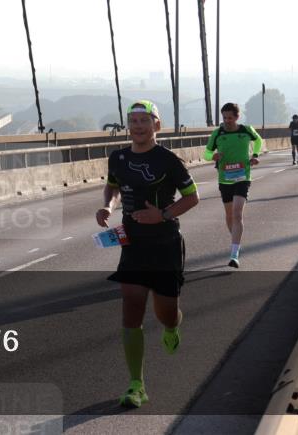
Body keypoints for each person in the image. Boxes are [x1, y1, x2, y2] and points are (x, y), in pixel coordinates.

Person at [96, 100, 199, 408]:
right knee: (132, 305)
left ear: (157, 125)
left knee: (165, 312)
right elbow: (112, 187)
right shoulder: (119, 157)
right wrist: (108, 206)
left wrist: (163, 215)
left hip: (165, 242)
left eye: (145, 120)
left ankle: (172, 326)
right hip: (132, 243)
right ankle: (136, 384)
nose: (138, 125)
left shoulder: (168, 160)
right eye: (133, 120)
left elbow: (193, 197)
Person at [203, 102, 263, 269]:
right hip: (224, 179)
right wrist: (212, 156)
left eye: (230, 118)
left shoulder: (246, 130)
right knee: (229, 216)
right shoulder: (218, 133)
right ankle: (236, 242)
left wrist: (255, 155)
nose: (227, 121)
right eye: (224, 118)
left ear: (237, 117)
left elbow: (258, 141)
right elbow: (206, 153)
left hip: (243, 177)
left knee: (237, 213)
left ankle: (234, 254)